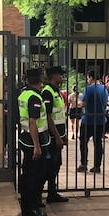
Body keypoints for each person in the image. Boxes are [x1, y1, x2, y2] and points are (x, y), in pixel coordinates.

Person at [17, 69, 51, 216]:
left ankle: (28, 204)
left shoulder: (24, 94)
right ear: (39, 80)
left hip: (26, 138)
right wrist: (37, 146)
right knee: (35, 175)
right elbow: (33, 122)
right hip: (34, 141)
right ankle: (31, 207)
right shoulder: (34, 97)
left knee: (29, 173)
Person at [41, 66, 69, 204]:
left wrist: (64, 136)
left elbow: (60, 115)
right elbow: (48, 116)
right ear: (53, 76)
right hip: (52, 137)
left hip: (58, 134)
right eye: (60, 75)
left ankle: (52, 192)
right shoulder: (47, 92)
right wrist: (57, 136)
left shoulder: (55, 91)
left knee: (56, 164)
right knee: (49, 165)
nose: (62, 77)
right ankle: (41, 193)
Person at [77, 70, 108, 173]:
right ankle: (97, 166)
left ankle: (83, 164)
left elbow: (83, 104)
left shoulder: (88, 89)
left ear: (90, 77)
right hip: (100, 120)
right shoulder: (104, 89)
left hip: (88, 120)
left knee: (83, 142)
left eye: (88, 78)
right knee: (98, 143)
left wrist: (79, 103)